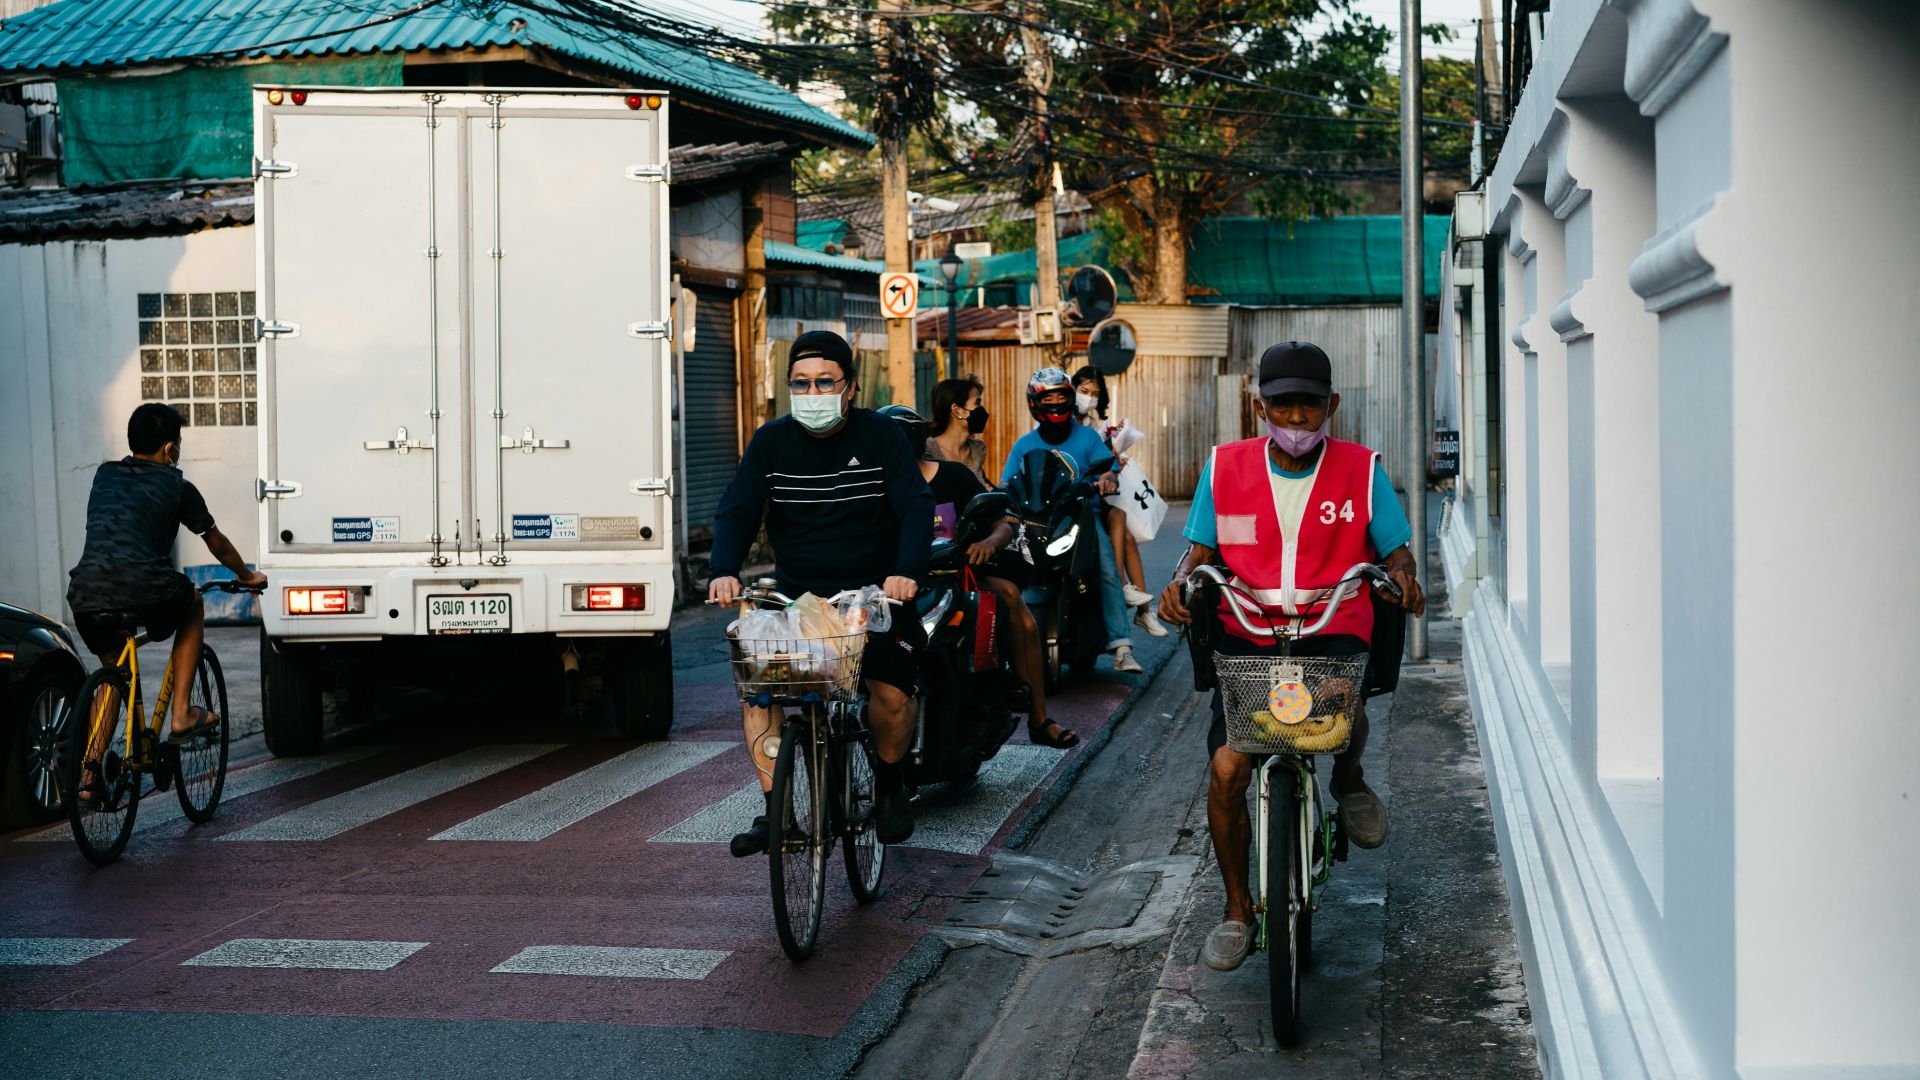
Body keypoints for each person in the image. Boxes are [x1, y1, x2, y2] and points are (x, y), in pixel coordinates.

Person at [1156, 341, 1426, 973]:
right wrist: (1178, 583)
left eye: (1309, 404)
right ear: (1261, 408)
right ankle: (1236, 908)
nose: (1298, 418)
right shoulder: (1225, 468)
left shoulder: (1361, 470)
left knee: (1341, 712)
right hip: (1247, 630)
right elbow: (1198, 551)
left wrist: (1405, 577)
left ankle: (1349, 779)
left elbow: (1397, 549)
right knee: (1228, 768)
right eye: (1284, 406)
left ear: (1331, 404)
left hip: (1333, 622)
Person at [708, 331, 934, 851]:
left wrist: (906, 570)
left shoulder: (881, 437)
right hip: (798, 601)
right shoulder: (771, 441)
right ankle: (776, 811)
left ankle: (892, 782)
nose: (812, 393)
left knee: (892, 689)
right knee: (758, 685)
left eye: (824, 382)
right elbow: (738, 509)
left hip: (875, 597)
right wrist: (724, 568)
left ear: (850, 386)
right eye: (801, 384)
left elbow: (914, 507)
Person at [66, 404, 268, 799]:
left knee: (114, 671)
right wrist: (246, 576)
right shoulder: (176, 485)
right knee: (192, 603)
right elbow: (217, 543)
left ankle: (89, 777)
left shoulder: (103, 475)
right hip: (147, 588)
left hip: (87, 593)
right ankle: (181, 715)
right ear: (170, 449)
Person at [881, 404, 1078, 749]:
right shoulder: (874, 488)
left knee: (1011, 597)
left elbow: (1001, 524)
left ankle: (1037, 715)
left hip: (959, 576)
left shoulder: (953, 476)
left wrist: (987, 543)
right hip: (895, 585)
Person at [999, 367, 1142, 675]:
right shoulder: (1024, 444)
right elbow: (1006, 483)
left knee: (1107, 568)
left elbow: (1107, 470)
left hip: (1081, 517)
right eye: (1048, 396)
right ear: (1035, 402)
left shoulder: (1088, 437)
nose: (1056, 402)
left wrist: (1107, 479)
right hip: (1036, 523)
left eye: (1061, 395)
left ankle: (1121, 644)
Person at [1071, 366, 1168, 640]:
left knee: (1124, 532)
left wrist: (1114, 458)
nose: (1089, 398)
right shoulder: (1056, 426)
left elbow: (1104, 463)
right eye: (1084, 391)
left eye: (1094, 394)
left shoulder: (1094, 428)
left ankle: (1143, 611)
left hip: (1096, 498)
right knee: (1119, 524)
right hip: (1072, 503)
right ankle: (1124, 588)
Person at [926, 375, 990, 487]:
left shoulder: (977, 450)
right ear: (957, 410)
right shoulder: (928, 452)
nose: (982, 409)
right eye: (977, 403)